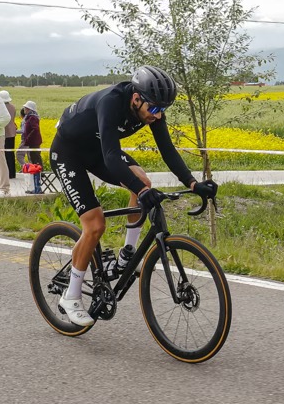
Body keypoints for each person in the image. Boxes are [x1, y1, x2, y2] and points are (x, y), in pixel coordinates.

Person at [50, 66, 217, 326]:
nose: (158, 115)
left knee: (143, 182)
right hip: (68, 152)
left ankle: (128, 254)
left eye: (163, 109)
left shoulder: (152, 108)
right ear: (136, 98)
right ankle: (71, 296)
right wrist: (141, 191)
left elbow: (168, 150)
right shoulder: (111, 102)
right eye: (154, 108)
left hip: (98, 150)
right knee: (95, 225)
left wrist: (193, 183)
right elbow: (111, 157)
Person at [17, 100, 43, 193]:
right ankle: (34, 186)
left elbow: (35, 129)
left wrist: (27, 138)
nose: (24, 109)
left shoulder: (32, 118)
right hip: (31, 142)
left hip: (33, 142)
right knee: (32, 159)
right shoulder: (29, 117)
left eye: (26, 108)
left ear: (29, 109)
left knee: (35, 160)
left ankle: (37, 186)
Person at [0, 90, 18, 180]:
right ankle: (12, 173)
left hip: (4, 132)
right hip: (12, 132)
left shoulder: (1, 108)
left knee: (4, 153)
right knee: (10, 153)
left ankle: (6, 172)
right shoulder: (12, 107)